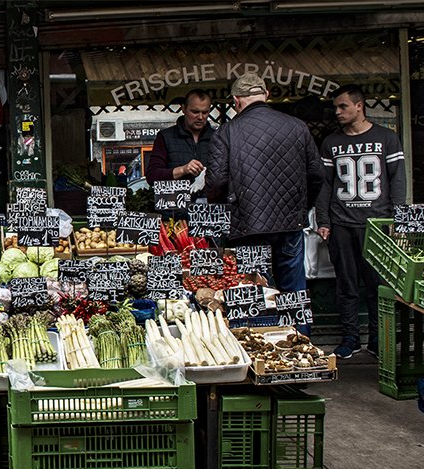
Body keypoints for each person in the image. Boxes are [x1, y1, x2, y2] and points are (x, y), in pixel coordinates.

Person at [206, 73, 325, 327]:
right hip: (290, 224)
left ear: (236, 101)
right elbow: (317, 174)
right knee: (293, 292)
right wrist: (302, 207)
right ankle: (302, 346)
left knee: (253, 291)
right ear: (266, 95)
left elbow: (215, 183)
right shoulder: (297, 126)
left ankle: (259, 347)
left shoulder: (226, 132)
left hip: (246, 226)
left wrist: (222, 209)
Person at [315, 84, 406, 359]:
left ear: (359, 106)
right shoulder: (331, 142)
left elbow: (398, 180)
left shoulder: (386, 138)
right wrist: (323, 220)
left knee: (378, 286)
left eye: (343, 106)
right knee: (346, 285)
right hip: (342, 223)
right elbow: (325, 185)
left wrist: (398, 220)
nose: (338, 112)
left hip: (377, 225)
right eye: (335, 107)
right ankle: (350, 338)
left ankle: (379, 340)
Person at [147, 89, 214, 196]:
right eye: (195, 112)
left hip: (210, 209)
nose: (200, 117)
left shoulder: (217, 137)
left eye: (205, 112)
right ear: (183, 109)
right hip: (176, 209)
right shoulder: (165, 137)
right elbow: (152, 176)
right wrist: (183, 170)